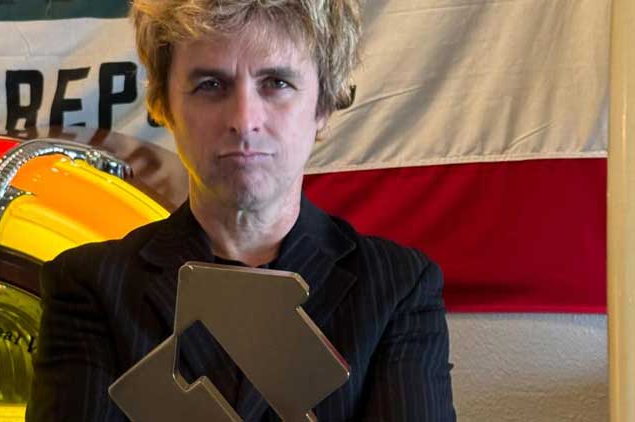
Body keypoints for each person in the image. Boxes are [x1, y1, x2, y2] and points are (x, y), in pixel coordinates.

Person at [26, 0, 456, 421]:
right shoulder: (90, 288)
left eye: (276, 83)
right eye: (211, 85)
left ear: (324, 104)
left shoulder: (398, 288)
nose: (244, 119)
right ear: (163, 104)